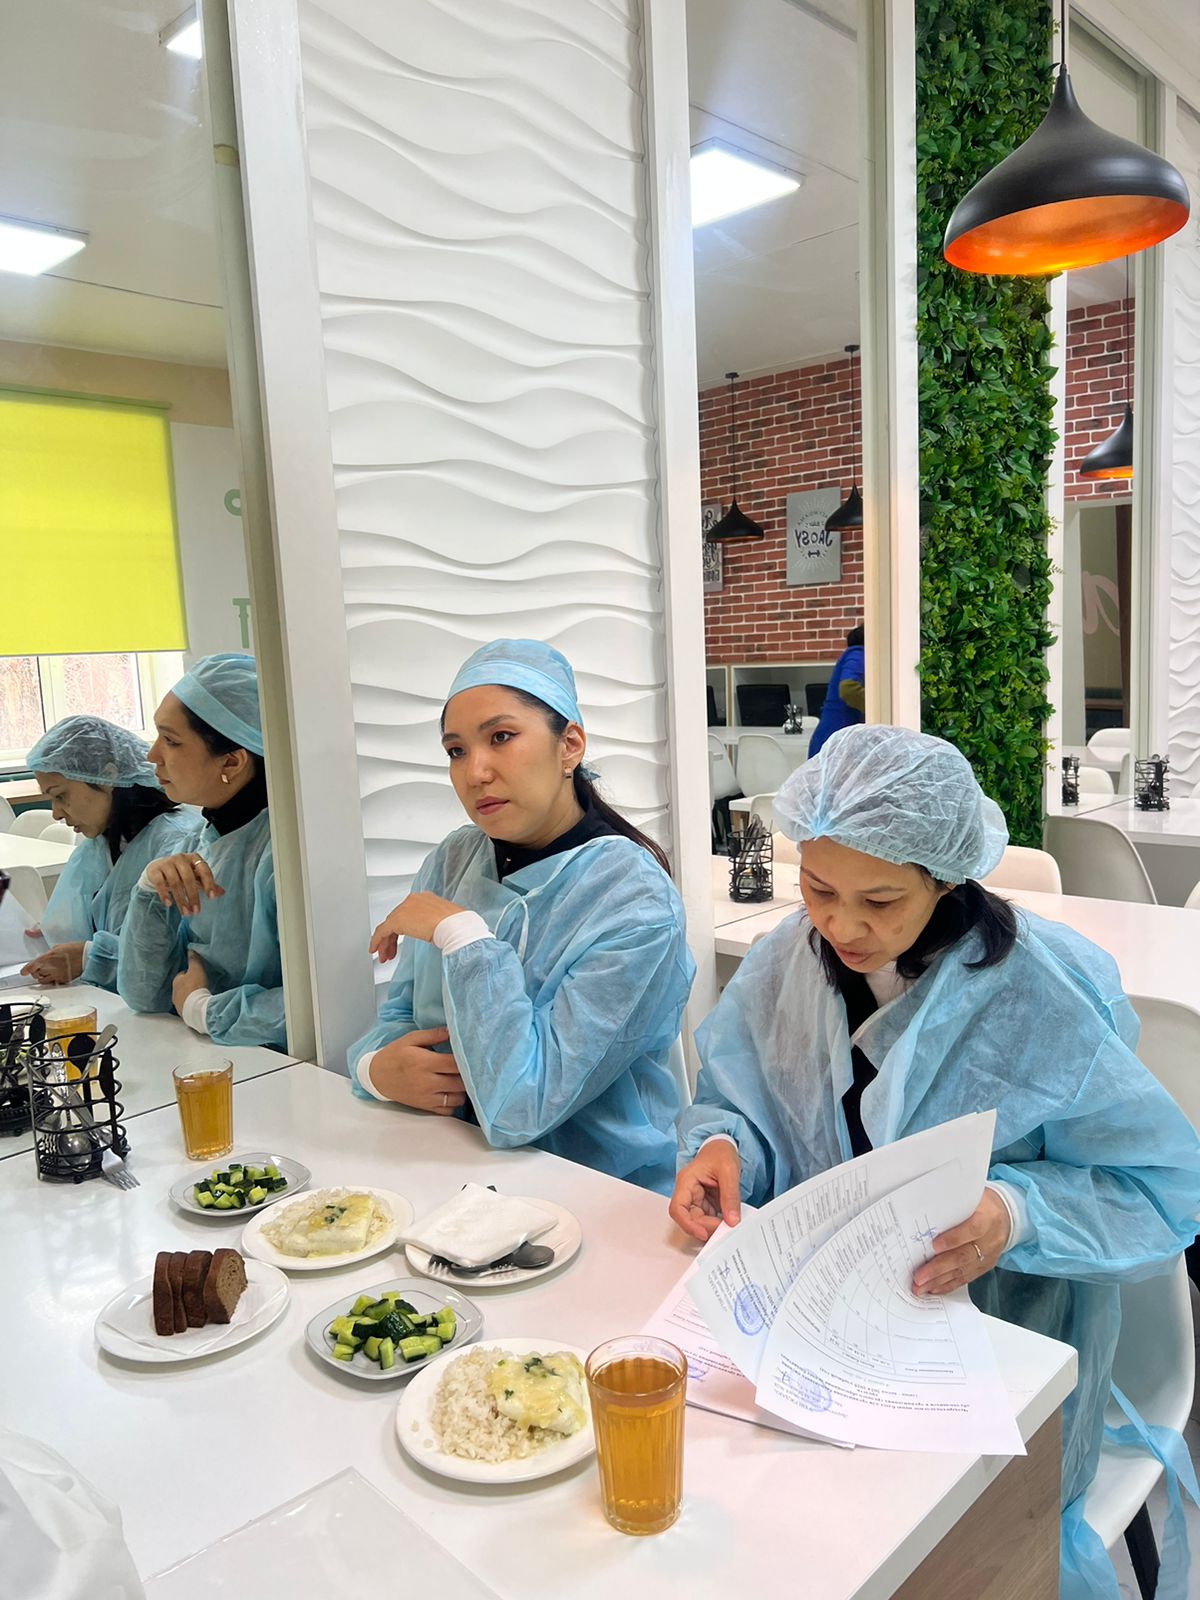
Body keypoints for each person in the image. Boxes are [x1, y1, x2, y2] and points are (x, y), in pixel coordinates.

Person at [670, 724, 1200, 1599]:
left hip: (1002, 1344)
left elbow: (1157, 1188)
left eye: (880, 900)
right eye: (817, 887)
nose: (842, 925)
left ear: (946, 876)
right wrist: (721, 1146)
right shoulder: (787, 961)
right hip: (827, 1329)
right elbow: (744, 1093)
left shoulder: (1041, 993)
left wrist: (1015, 1213)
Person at [348, 638, 695, 1193]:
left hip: (595, 1196)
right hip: (445, 1171)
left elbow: (522, 1106)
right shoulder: (453, 860)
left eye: (501, 737)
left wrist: (463, 935)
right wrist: (376, 1070)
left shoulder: (632, 900)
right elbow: (401, 1016)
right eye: (455, 750)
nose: (475, 772)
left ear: (569, 745)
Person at [117, 653, 285, 1050]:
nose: (152, 755)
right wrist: (151, 892)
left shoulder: (285, 857)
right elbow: (145, 995)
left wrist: (202, 1010)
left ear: (232, 761)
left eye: (171, 741)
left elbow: (325, 1005)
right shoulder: (198, 844)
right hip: (215, 1057)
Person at [19, 717, 198, 989]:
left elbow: (181, 959)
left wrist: (90, 956)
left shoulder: (178, 841)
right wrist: (51, 935)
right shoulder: (99, 843)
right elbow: (83, 917)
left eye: (60, 795)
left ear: (108, 776)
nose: (56, 813)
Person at [808, 624, 865, 757]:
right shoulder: (857, 654)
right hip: (838, 738)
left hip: (834, 735)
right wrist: (877, 709)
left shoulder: (851, 655)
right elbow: (848, 689)